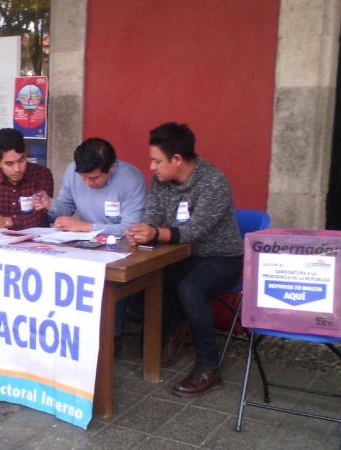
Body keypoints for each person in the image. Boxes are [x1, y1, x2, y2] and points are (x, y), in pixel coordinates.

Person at [126, 122, 243, 397]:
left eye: (157, 161)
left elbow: (194, 231)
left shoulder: (214, 182)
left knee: (190, 289)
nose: (152, 167)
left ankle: (209, 367)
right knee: (136, 281)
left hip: (221, 257)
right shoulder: (160, 182)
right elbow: (152, 216)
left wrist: (156, 233)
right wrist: (142, 231)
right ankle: (176, 324)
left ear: (177, 159)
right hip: (178, 254)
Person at [33, 137, 146, 352]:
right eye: (83, 177)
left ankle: (111, 338)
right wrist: (50, 205)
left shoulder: (131, 179)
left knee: (108, 279)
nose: (87, 183)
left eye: (93, 178)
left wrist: (86, 227)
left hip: (121, 248)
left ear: (111, 168)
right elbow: (65, 207)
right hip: (82, 243)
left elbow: (130, 228)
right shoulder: (72, 171)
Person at [0, 128, 54, 230]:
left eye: (21, 161)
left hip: (35, 236)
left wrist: (6, 221)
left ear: (26, 155)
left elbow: (40, 216)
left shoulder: (42, 174)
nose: (17, 169)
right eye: (9, 164)